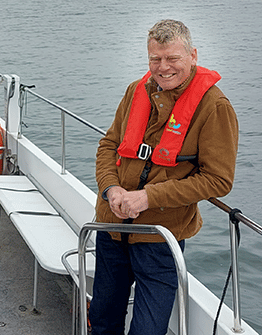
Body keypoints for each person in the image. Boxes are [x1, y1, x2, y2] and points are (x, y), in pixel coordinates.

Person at [90, 19, 239, 335]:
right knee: (102, 320)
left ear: (193, 55)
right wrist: (110, 188)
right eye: (155, 59)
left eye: (173, 58)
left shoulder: (215, 107)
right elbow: (108, 146)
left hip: (160, 236)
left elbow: (218, 180)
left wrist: (147, 197)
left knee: (147, 330)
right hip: (110, 228)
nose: (163, 67)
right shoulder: (135, 90)